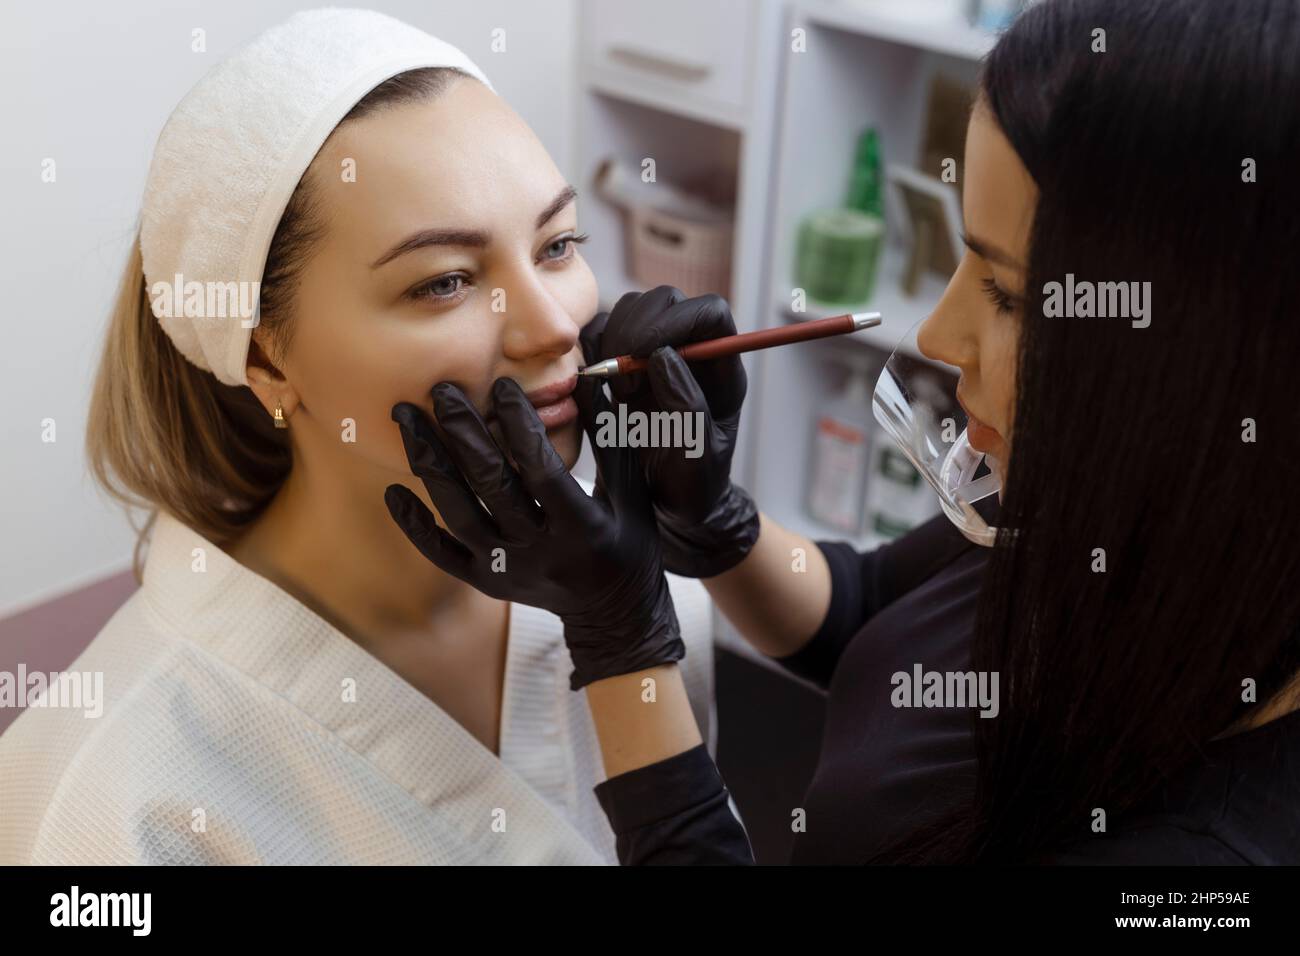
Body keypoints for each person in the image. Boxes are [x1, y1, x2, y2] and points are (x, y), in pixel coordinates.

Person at [388, 0, 1300, 864]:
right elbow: (876, 615)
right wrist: (713, 525)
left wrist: (622, 644)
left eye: (1010, 293)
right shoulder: (1104, 516)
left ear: (1212, 366)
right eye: (441, 280)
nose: (938, 340)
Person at [0, 9, 717, 865]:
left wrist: (715, 540)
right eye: (445, 281)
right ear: (264, 357)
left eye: (559, 244)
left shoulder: (647, 587)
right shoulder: (113, 805)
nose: (552, 326)